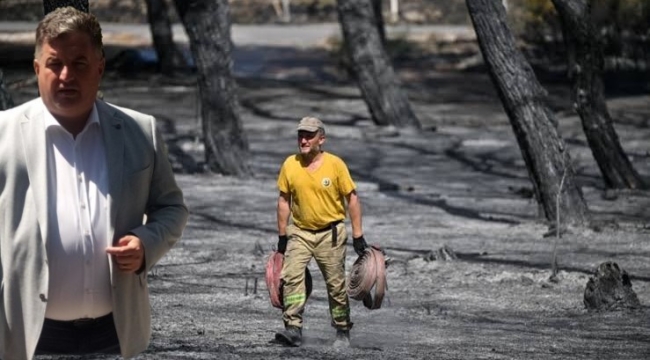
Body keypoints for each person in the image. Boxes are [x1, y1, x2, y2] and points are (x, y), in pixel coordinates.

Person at [0, 7, 189, 360]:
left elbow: (171, 207)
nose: (66, 75)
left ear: (100, 68)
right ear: (37, 68)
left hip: (115, 334)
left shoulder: (139, 131)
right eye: (55, 63)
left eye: (80, 63)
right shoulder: (3, 134)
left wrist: (146, 244)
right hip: (23, 335)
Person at [274, 116, 369, 347]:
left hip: (331, 234)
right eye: (300, 135)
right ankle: (293, 328)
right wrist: (282, 236)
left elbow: (352, 199)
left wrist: (358, 235)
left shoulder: (335, 164)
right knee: (291, 277)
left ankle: (342, 331)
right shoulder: (290, 164)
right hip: (300, 232)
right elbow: (284, 201)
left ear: (321, 139)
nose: (303, 140)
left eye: (309, 135)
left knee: (335, 285)